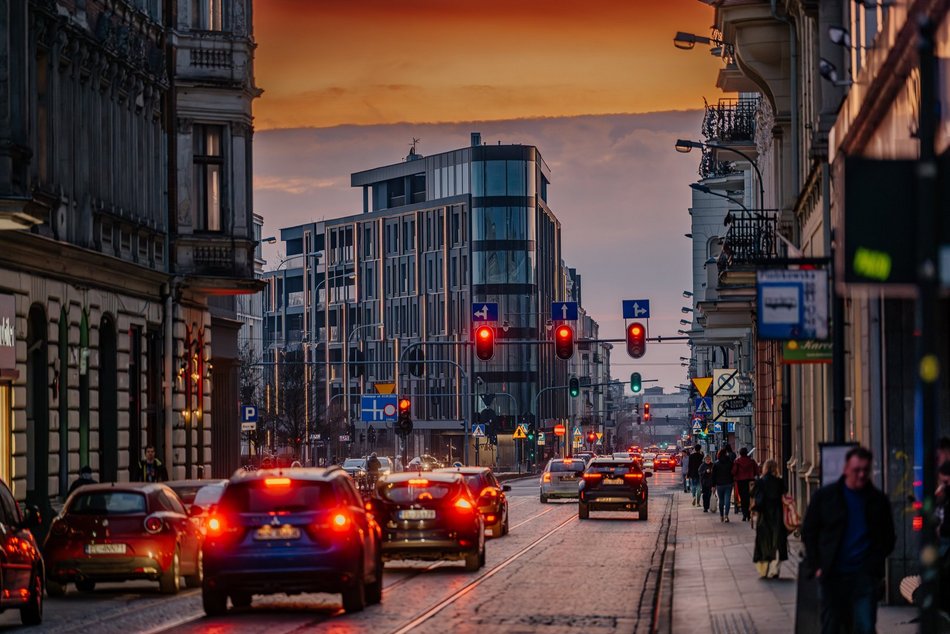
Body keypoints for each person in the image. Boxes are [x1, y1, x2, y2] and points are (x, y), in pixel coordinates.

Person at [802, 446, 896, 634]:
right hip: (832, 575)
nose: (861, 475)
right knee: (832, 626)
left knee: (865, 626)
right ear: (846, 469)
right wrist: (817, 565)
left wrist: (874, 567)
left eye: (865, 470)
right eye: (856, 470)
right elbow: (809, 531)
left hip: (864, 575)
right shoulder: (826, 497)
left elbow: (887, 537)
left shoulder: (877, 500)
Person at [753, 459, 788, 578]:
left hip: (764, 515)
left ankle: (764, 567)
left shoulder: (760, 482)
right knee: (777, 541)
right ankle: (775, 569)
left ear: (765, 468)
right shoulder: (779, 481)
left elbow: (752, 494)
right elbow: (785, 493)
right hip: (777, 514)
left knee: (764, 540)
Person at [732, 447, 758, 521]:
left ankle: (744, 514)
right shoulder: (751, 461)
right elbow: (756, 470)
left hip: (741, 481)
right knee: (750, 497)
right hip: (750, 480)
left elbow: (734, 471)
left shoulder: (737, 461)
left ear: (740, 453)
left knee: (743, 498)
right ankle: (750, 513)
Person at [712, 447, 735, 522]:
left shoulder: (716, 463)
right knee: (727, 500)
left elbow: (713, 475)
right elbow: (733, 473)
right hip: (728, 483)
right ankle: (726, 516)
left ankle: (721, 516)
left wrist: (713, 485)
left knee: (721, 500)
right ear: (726, 454)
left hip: (719, 484)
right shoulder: (730, 463)